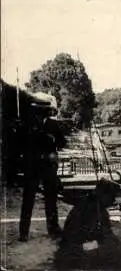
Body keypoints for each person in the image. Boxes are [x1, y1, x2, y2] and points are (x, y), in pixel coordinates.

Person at [19, 100, 66, 242]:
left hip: (46, 165)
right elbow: (20, 143)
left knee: (49, 197)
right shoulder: (29, 125)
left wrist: (53, 143)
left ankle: (50, 229)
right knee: (31, 198)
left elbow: (62, 142)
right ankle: (25, 232)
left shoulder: (50, 124)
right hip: (34, 165)